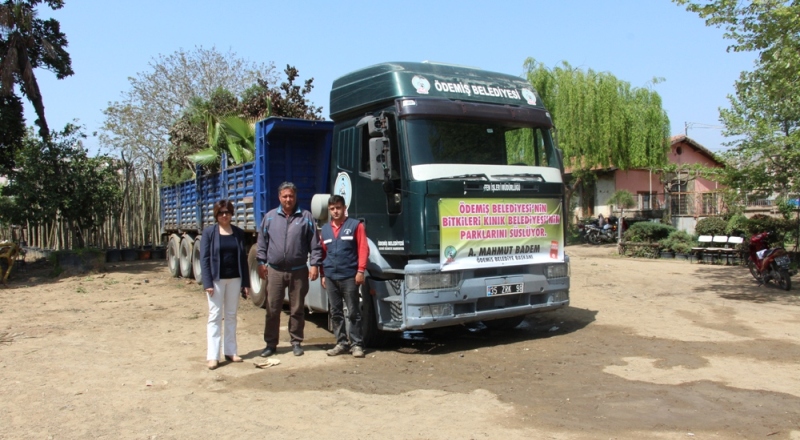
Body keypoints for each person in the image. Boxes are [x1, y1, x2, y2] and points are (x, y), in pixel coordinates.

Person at [257, 182, 322, 357]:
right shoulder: (270, 217)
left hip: (299, 271)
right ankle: (271, 344)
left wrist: (314, 264)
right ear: (279, 197)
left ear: (295, 197)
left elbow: (315, 245)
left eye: (291, 196)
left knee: (297, 308)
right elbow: (262, 243)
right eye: (285, 196)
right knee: (272, 308)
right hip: (275, 271)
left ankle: (296, 342)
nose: (288, 199)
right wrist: (261, 263)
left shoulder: (306, 217)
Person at [200, 200, 250, 370]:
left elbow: (243, 259)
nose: (224, 215)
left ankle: (230, 351)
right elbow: (204, 259)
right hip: (216, 280)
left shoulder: (238, 233)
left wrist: (246, 283)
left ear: (231, 214)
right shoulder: (209, 233)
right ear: (216, 215)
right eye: (221, 213)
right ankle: (213, 356)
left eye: (227, 212)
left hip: (234, 279)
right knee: (214, 315)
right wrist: (207, 282)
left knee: (231, 315)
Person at [320, 195, 369, 358]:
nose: (335, 211)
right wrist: (322, 274)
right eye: (332, 208)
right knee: (335, 311)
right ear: (329, 210)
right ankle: (341, 342)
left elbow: (363, 248)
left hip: (349, 276)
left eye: (338, 208)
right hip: (330, 276)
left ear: (344, 207)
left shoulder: (356, 226)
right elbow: (322, 253)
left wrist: (360, 270)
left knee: (353, 311)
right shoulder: (325, 230)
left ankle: (356, 344)